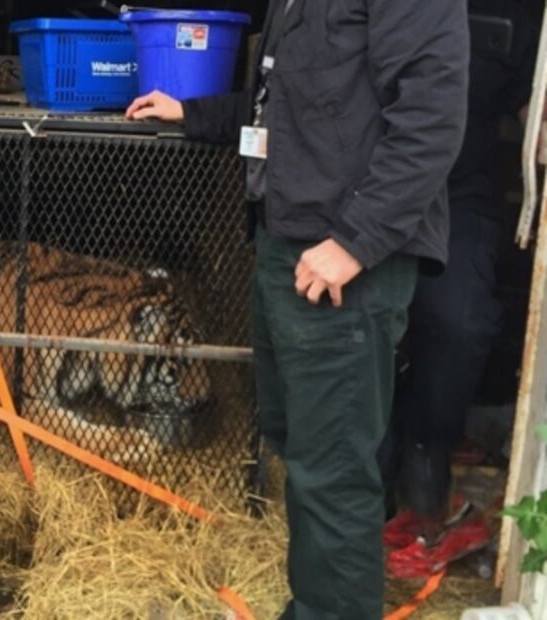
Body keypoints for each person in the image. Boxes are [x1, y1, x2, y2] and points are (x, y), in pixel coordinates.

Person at [125, 0, 468, 616]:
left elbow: (431, 119)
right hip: (290, 243)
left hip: (343, 261)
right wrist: (196, 112)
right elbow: (287, 107)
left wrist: (355, 242)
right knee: (300, 440)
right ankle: (320, 598)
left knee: (331, 461)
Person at [381, 0, 541, 577]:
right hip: (372, 181)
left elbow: (532, 108)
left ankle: (429, 452)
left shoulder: (516, 16)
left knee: (461, 321)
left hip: (459, 189)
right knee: (368, 319)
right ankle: (370, 476)